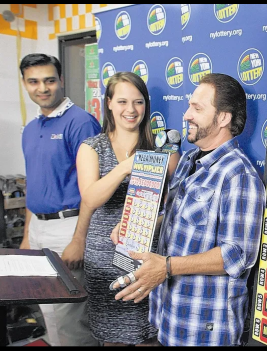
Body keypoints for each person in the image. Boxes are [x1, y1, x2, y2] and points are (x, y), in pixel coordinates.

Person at [111, 73, 266, 346]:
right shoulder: (188, 160)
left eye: (197, 108)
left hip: (204, 329)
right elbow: (179, 217)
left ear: (223, 118)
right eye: (189, 106)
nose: (186, 115)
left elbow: (237, 255)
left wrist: (167, 267)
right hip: (171, 315)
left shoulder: (238, 175)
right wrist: (138, 223)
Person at [76, 71, 180, 346]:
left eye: (139, 102)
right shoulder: (92, 147)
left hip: (150, 257)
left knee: (151, 336)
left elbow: (174, 202)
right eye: (122, 102)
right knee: (113, 338)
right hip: (105, 258)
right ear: (108, 103)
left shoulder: (163, 145)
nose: (131, 110)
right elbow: (90, 198)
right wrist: (125, 166)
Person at [19, 53, 101, 346]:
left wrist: (79, 239)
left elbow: (96, 190)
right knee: (49, 313)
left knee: (71, 319)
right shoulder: (30, 129)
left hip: (69, 227)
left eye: (49, 80)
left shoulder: (81, 123)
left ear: (61, 80)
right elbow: (34, 184)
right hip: (38, 228)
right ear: (25, 85)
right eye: (34, 81)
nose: (43, 87)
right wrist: (28, 235)